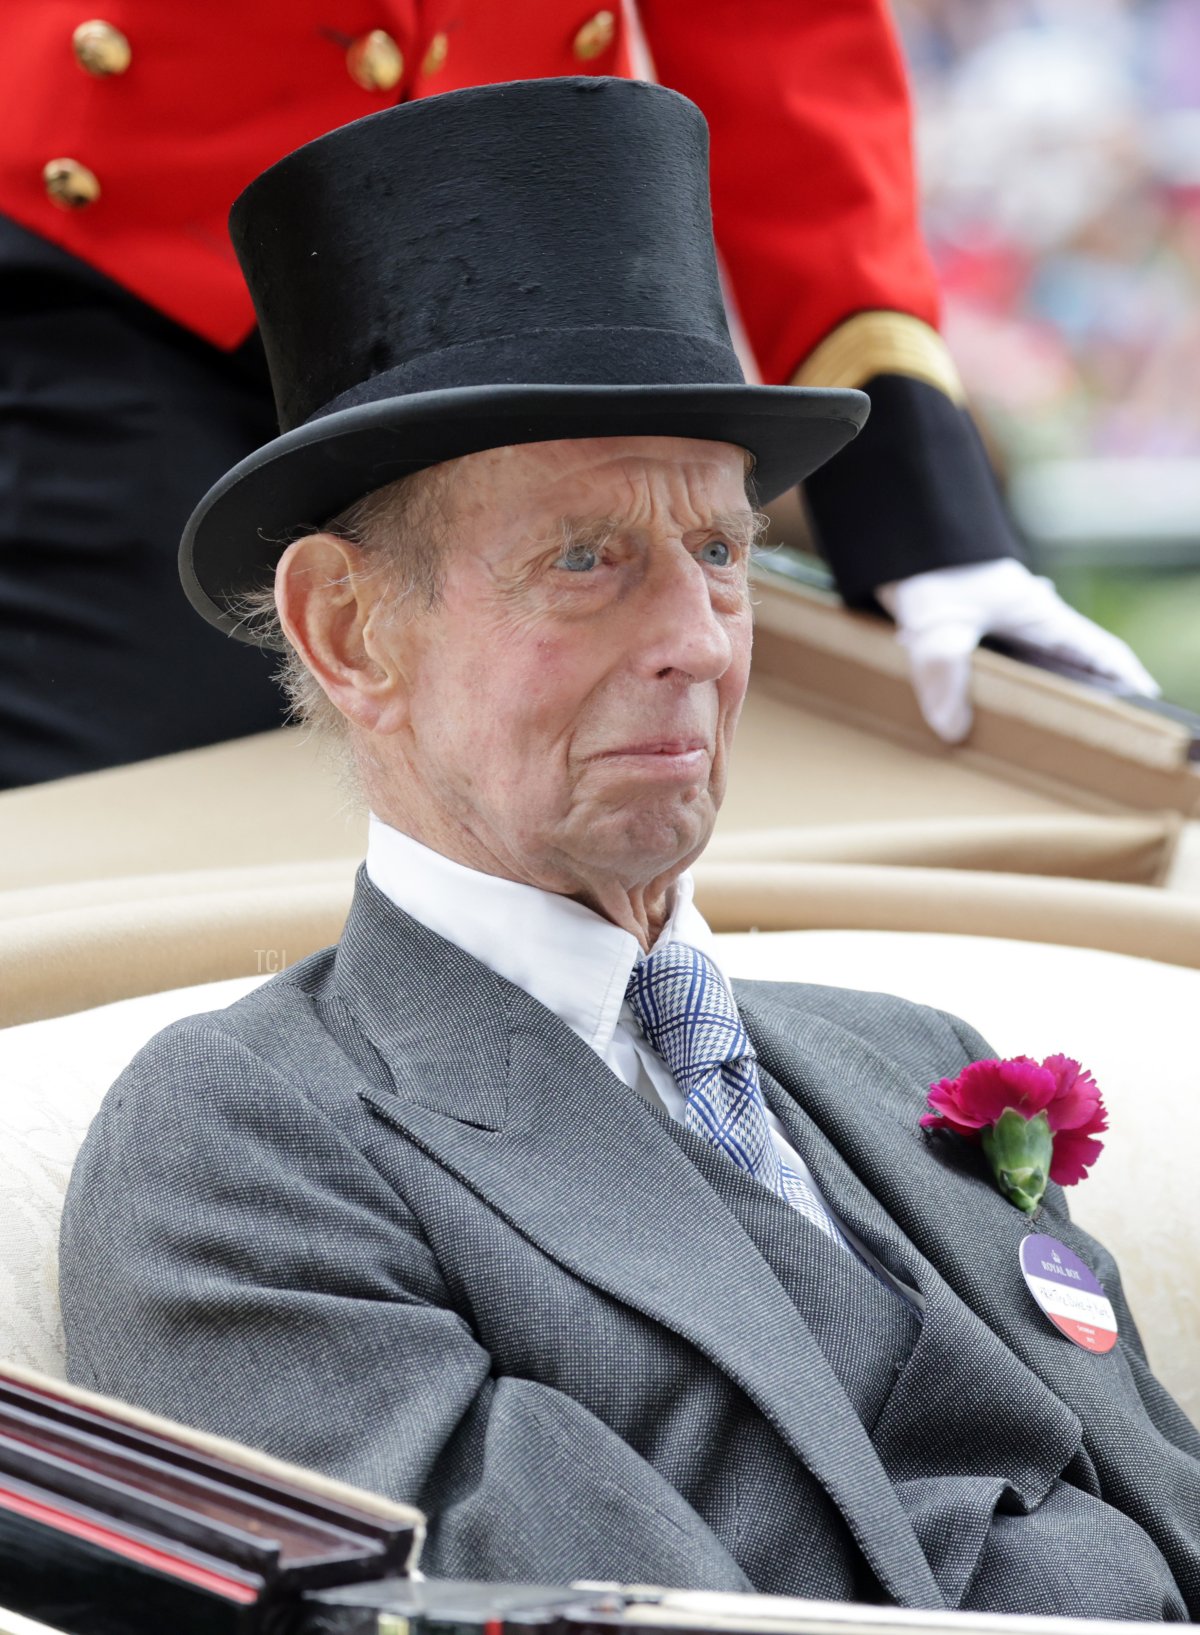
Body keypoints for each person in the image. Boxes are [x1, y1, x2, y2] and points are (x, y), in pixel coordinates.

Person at [60, 81, 1199, 1617]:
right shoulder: (248, 1137)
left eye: (722, 549)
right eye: (585, 558)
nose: (694, 641)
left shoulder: (905, 1054)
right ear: (348, 627)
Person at [0, 1, 1154, 788]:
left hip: (524, 240)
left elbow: (784, 42)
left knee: (589, 816)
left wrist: (919, 515)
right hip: (116, 277)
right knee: (144, 847)